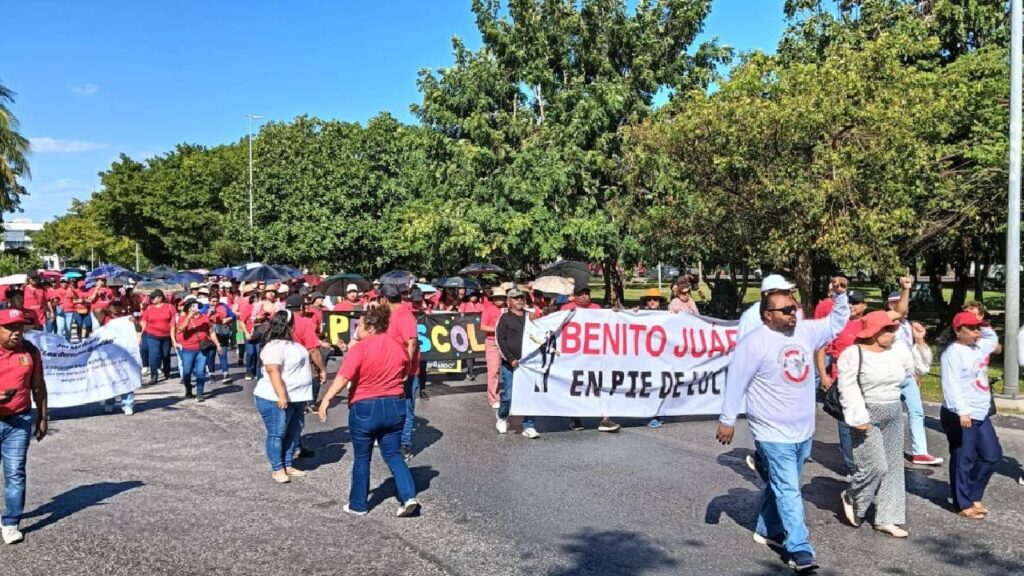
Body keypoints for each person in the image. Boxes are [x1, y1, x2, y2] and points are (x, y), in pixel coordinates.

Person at [717, 276, 849, 574]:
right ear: (767, 315)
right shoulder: (754, 343)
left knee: (782, 484)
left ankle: (767, 527)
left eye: (794, 307)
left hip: (803, 431)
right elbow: (735, 381)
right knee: (790, 489)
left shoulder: (804, 331)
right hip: (771, 432)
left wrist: (840, 297)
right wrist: (727, 420)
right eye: (786, 310)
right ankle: (799, 548)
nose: (793, 313)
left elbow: (835, 324)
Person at [317, 305, 420, 517]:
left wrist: (326, 399)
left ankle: (358, 504)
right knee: (393, 453)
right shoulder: (397, 346)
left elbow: (344, 376)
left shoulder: (361, 348)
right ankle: (409, 497)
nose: (357, 330)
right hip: (394, 404)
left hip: (365, 405)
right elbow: (404, 373)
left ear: (371, 327)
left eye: (360, 325)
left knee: (362, 458)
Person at [836, 311, 931, 538]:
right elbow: (847, 387)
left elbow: (920, 368)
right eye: (887, 330)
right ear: (873, 332)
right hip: (866, 414)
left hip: (893, 411)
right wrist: (857, 417)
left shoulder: (898, 349)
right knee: (876, 466)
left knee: (894, 467)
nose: (893, 334)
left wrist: (920, 341)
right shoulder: (853, 354)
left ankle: (887, 518)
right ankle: (853, 497)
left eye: (893, 329)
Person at [940, 311, 1002, 520]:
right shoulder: (952, 353)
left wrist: (981, 323)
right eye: (972, 329)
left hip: (980, 411)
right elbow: (951, 386)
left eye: (978, 329)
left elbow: (993, 340)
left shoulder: (978, 346)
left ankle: (974, 494)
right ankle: (962, 502)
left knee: (991, 455)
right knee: (963, 458)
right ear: (958, 331)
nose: (977, 333)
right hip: (961, 413)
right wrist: (962, 412)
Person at [0, 308, 48, 544]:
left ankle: (10, 522)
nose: (16, 333)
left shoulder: (30, 351)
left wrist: (42, 416)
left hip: (19, 421)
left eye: (19, 327)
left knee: (15, 473)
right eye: (9, 328)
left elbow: (38, 384)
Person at [884, 289, 944, 466]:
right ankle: (885, 451)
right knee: (887, 414)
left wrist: (919, 341)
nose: (901, 306)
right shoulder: (885, 322)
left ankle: (920, 452)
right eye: (895, 302)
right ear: (889, 305)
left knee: (917, 411)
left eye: (903, 302)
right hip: (889, 376)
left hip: (908, 375)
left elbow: (911, 351)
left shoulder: (908, 326)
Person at [254, 311, 312, 484]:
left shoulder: (293, 344)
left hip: (297, 397)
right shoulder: (273, 347)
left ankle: (288, 464)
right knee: (277, 433)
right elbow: (273, 371)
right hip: (274, 398)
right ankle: (277, 468)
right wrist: (281, 395)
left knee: (294, 431)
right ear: (288, 324)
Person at [561, 287, 620, 433]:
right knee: (576, 387)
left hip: (593, 355)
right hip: (573, 356)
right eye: (581, 294)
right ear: (574, 296)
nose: (584, 297)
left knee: (598, 386)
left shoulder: (596, 308)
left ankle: (603, 419)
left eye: (587, 294)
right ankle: (575, 418)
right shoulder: (565, 309)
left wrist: (617, 314)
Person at [381, 284, 421, 461]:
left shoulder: (405, 315)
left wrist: (406, 367)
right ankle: (391, 440)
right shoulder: (390, 315)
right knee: (390, 405)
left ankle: (404, 445)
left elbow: (411, 343)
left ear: (385, 299)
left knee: (406, 407)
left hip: (406, 371)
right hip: (390, 369)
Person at [495, 288, 539, 439]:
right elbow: (500, 340)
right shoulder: (504, 318)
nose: (520, 300)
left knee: (530, 395)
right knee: (508, 395)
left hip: (529, 364)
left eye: (521, 298)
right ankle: (502, 416)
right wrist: (510, 358)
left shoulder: (530, 316)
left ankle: (529, 425)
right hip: (510, 364)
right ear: (509, 301)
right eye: (515, 298)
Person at [736, 274, 803, 339]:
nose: (789, 295)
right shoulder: (752, 316)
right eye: (783, 292)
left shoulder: (794, 311)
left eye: (788, 291)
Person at [176, 296, 216, 400]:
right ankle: (188, 388)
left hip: (202, 349)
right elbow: (180, 329)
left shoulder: (204, 318)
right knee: (187, 372)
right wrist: (189, 317)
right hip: (188, 349)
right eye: (190, 306)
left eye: (195, 306)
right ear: (187, 309)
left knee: (200, 371)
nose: (193, 308)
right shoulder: (182, 318)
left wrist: (218, 344)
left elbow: (211, 332)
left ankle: (199, 393)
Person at [140, 290, 174, 386]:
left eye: (153, 297)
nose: (151, 299)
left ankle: (167, 371)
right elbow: (144, 322)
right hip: (152, 335)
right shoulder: (149, 308)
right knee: (154, 355)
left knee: (166, 354)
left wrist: (173, 336)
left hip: (166, 336)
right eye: (151, 298)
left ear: (160, 298)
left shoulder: (169, 307)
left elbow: (173, 321)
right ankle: (154, 375)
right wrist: (139, 335)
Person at [481, 286, 507, 409]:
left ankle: (509, 395)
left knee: (510, 371)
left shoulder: (509, 310)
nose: (498, 300)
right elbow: (483, 327)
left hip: (507, 343)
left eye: (500, 297)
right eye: (496, 298)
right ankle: (493, 398)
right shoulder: (488, 310)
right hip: (492, 343)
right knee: (493, 371)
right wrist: (497, 329)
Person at [203, 293, 236, 382]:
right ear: (209, 301)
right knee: (211, 355)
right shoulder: (205, 308)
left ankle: (225, 373)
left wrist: (227, 319)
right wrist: (208, 314)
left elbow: (233, 315)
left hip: (222, 333)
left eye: (217, 301)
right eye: (213, 301)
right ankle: (211, 374)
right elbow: (201, 319)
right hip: (210, 334)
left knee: (223, 354)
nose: (215, 303)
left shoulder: (224, 306)